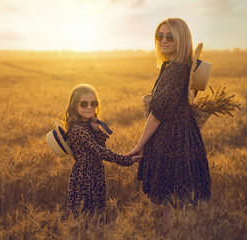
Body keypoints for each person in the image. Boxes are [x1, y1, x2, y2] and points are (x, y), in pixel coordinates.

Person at [125, 18, 212, 224]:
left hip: (171, 141)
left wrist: (140, 145)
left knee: (169, 202)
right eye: (159, 35)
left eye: (170, 36)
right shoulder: (183, 67)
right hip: (184, 139)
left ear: (181, 39)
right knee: (178, 199)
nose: (163, 40)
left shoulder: (176, 69)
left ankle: (171, 233)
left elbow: (157, 113)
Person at [65, 84, 142, 217]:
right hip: (84, 176)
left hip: (96, 173)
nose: (89, 107)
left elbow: (100, 147)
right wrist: (126, 160)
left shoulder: (87, 125)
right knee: (84, 215)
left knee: (97, 214)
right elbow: (100, 152)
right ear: (74, 106)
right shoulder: (78, 129)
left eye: (93, 103)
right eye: (83, 104)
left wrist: (96, 130)